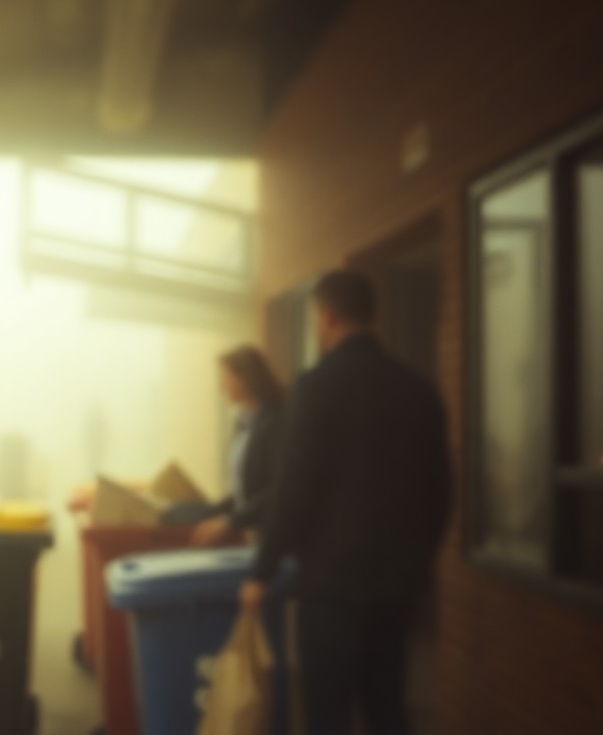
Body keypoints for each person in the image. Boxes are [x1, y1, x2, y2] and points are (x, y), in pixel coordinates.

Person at [240, 271, 451, 735]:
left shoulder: (316, 387)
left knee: (328, 715)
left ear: (327, 316)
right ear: (372, 315)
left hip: (330, 591)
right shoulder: (421, 390)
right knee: (388, 708)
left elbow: (293, 490)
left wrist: (261, 571)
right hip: (396, 590)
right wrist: (414, 565)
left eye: (316, 318)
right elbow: (441, 497)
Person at [189, 345, 286, 547]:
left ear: (245, 378)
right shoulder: (243, 422)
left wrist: (230, 522)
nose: (221, 385)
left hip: (276, 533)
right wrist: (213, 514)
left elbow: (279, 489)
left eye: (225, 377)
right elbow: (244, 489)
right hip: (253, 530)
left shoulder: (276, 421)